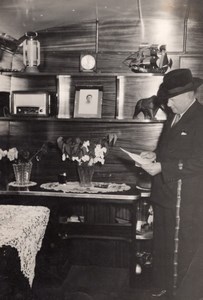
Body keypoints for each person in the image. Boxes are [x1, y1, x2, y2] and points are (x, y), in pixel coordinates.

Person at [139, 68, 203, 299]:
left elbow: (199, 161)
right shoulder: (175, 116)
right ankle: (164, 287)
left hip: (184, 200)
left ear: (189, 95)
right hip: (165, 194)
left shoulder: (201, 118)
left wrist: (163, 167)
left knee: (180, 248)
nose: (168, 105)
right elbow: (168, 150)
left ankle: (179, 294)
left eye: (172, 100)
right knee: (163, 245)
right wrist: (154, 155)